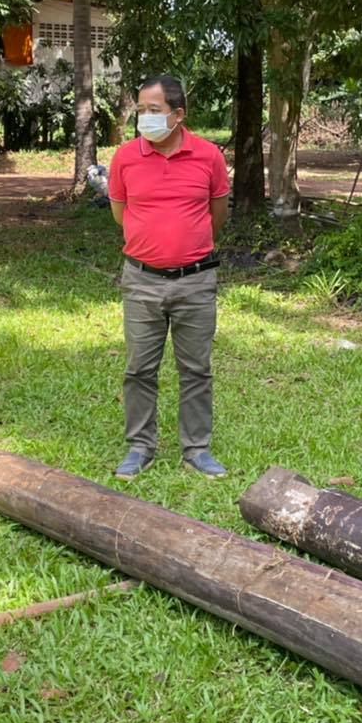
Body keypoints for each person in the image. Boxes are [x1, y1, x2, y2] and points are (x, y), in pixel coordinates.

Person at [107, 75, 231, 480]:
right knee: (139, 369)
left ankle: (197, 450)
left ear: (178, 115)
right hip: (141, 280)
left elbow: (218, 215)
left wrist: (185, 246)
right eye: (141, 110)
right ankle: (140, 447)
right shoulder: (125, 158)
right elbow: (120, 214)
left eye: (154, 110)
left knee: (196, 369)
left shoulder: (208, 156)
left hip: (196, 281)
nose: (145, 118)